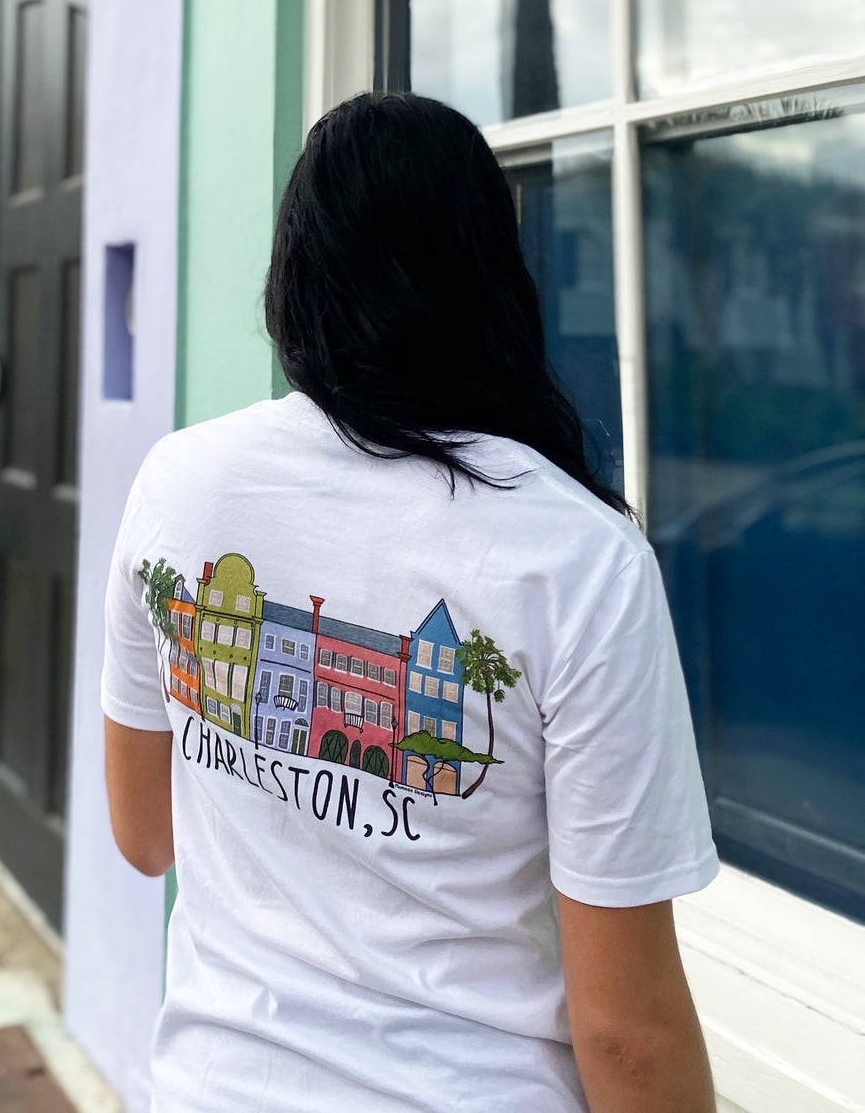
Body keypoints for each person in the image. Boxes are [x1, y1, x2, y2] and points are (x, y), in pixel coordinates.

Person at [102, 91, 717, 1113]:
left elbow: (144, 832)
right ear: (488, 276)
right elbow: (626, 1032)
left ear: (294, 274)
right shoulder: (576, 556)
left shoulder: (179, 484)